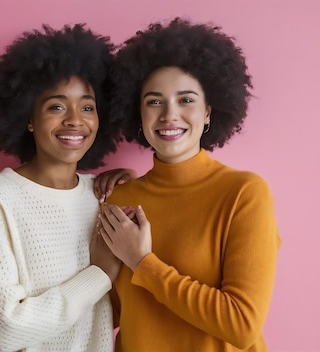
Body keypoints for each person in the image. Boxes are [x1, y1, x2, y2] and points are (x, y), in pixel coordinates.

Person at [98, 18, 282, 351]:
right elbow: (105, 316)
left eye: (186, 100)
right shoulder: (120, 198)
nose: (169, 115)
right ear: (137, 113)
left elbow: (241, 325)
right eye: (154, 101)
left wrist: (143, 263)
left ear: (209, 112)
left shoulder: (244, 193)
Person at [0, 23, 131, 352]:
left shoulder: (105, 194)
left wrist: (141, 188)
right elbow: (6, 332)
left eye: (87, 107)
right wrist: (98, 274)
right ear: (28, 118)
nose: (74, 120)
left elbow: (121, 310)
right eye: (56, 106)